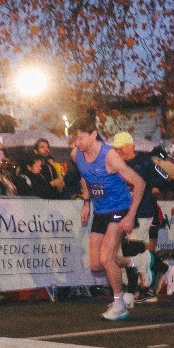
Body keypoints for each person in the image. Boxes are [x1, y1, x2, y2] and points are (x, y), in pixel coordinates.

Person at [71, 121, 146, 321]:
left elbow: (139, 183)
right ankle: (135, 262)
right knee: (96, 265)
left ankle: (119, 304)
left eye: (80, 138)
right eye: (74, 139)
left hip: (120, 209)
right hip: (101, 211)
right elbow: (85, 177)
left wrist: (130, 215)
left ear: (93, 134)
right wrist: (86, 202)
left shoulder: (109, 156)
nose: (77, 143)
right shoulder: (76, 154)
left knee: (106, 258)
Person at [112, 131, 174, 303]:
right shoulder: (116, 163)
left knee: (135, 251)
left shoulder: (145, 161)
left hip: (143, 212)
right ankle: (142, 286)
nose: (118, 151)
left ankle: (144, 288)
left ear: (131, 146)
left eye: (121, 148)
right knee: (131, 252)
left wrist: (153, 186)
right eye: (116, 148)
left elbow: (165, 178)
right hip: (125, 212)